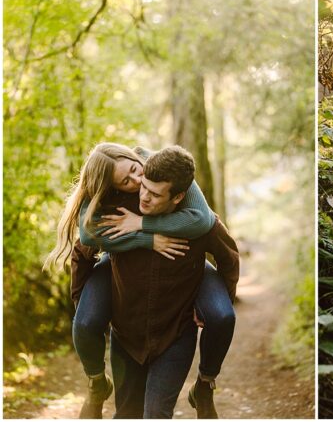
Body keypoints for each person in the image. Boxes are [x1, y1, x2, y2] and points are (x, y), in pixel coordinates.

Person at [43, 143, 235, 419]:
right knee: (126, 413)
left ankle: (205, 384)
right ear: (113, 186)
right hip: (127, 334)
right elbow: (84, 245)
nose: (138, 185)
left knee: (157, 412)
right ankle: (96, 383)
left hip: (174, 332)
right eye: (126, 181)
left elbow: (211, 230)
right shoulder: (111, 207)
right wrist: (86, 306)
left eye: (136, 171)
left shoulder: (171, 184)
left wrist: (144, 225)